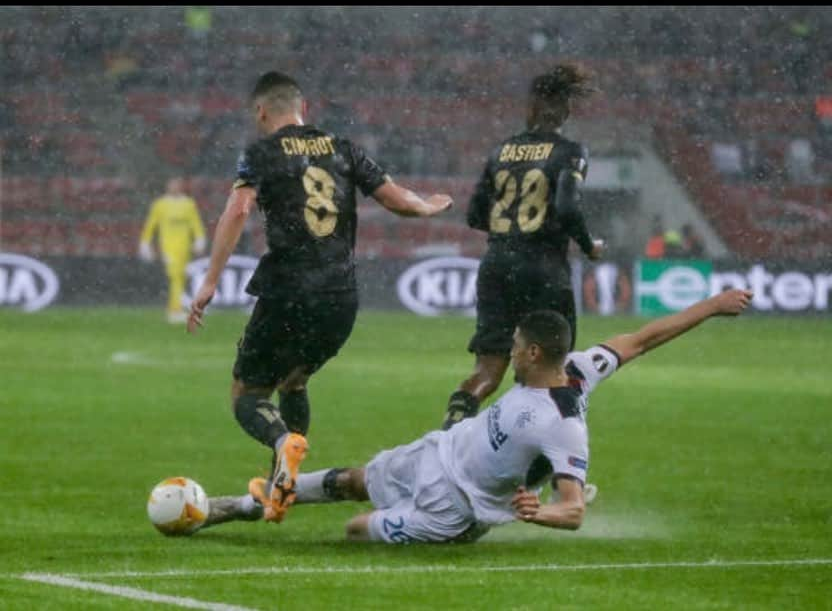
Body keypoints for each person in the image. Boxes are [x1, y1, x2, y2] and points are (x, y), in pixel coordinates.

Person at [196, 288, 753, 543]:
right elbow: (644, 338)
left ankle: (266, 504)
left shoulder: (561, 421)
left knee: (355, 528)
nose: (508, 350)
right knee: (351, 480)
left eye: (514, 345)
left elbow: (575, 511)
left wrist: (536, 515)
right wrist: (712, 305)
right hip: (440, 451)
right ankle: (246, 506)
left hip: (454, 507)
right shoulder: (582, 366)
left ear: (534, 353)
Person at [186, 71, 453, 523]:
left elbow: (238, 209)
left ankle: (280, 443)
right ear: (303, 108)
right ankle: (279, 486)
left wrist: (211, 279)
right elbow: (398, 201)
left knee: (246, 394)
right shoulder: (343, 147)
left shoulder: (260, 153)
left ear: (261, 112)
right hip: (340, 295)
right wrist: (427, 204)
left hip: (288, 290)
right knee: (294, 381)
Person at [441, 64, 605, 431]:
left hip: (497, 265)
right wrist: (587, 245)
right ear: (565, 110)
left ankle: (448, 437)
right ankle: (545, 466)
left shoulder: (501, 151)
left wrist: (510, 230)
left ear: (530, 107)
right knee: (550, 370)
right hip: (544, 268)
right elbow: (566, 208)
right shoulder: (570, 151)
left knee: (486, 370)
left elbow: (474, 215)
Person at [139, 176, 206, 323]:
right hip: (168, 247)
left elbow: (195, 223)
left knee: (180, 277)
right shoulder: (160, 205)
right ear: (167, 187)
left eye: (177, 185)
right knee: (175, 276)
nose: (175, 188)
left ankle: (174, 308)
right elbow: (151, 225)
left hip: (184, 247)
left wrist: (199, 240)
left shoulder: (188, 204)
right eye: (172, 185)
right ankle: (175, 311)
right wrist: (145, 243)